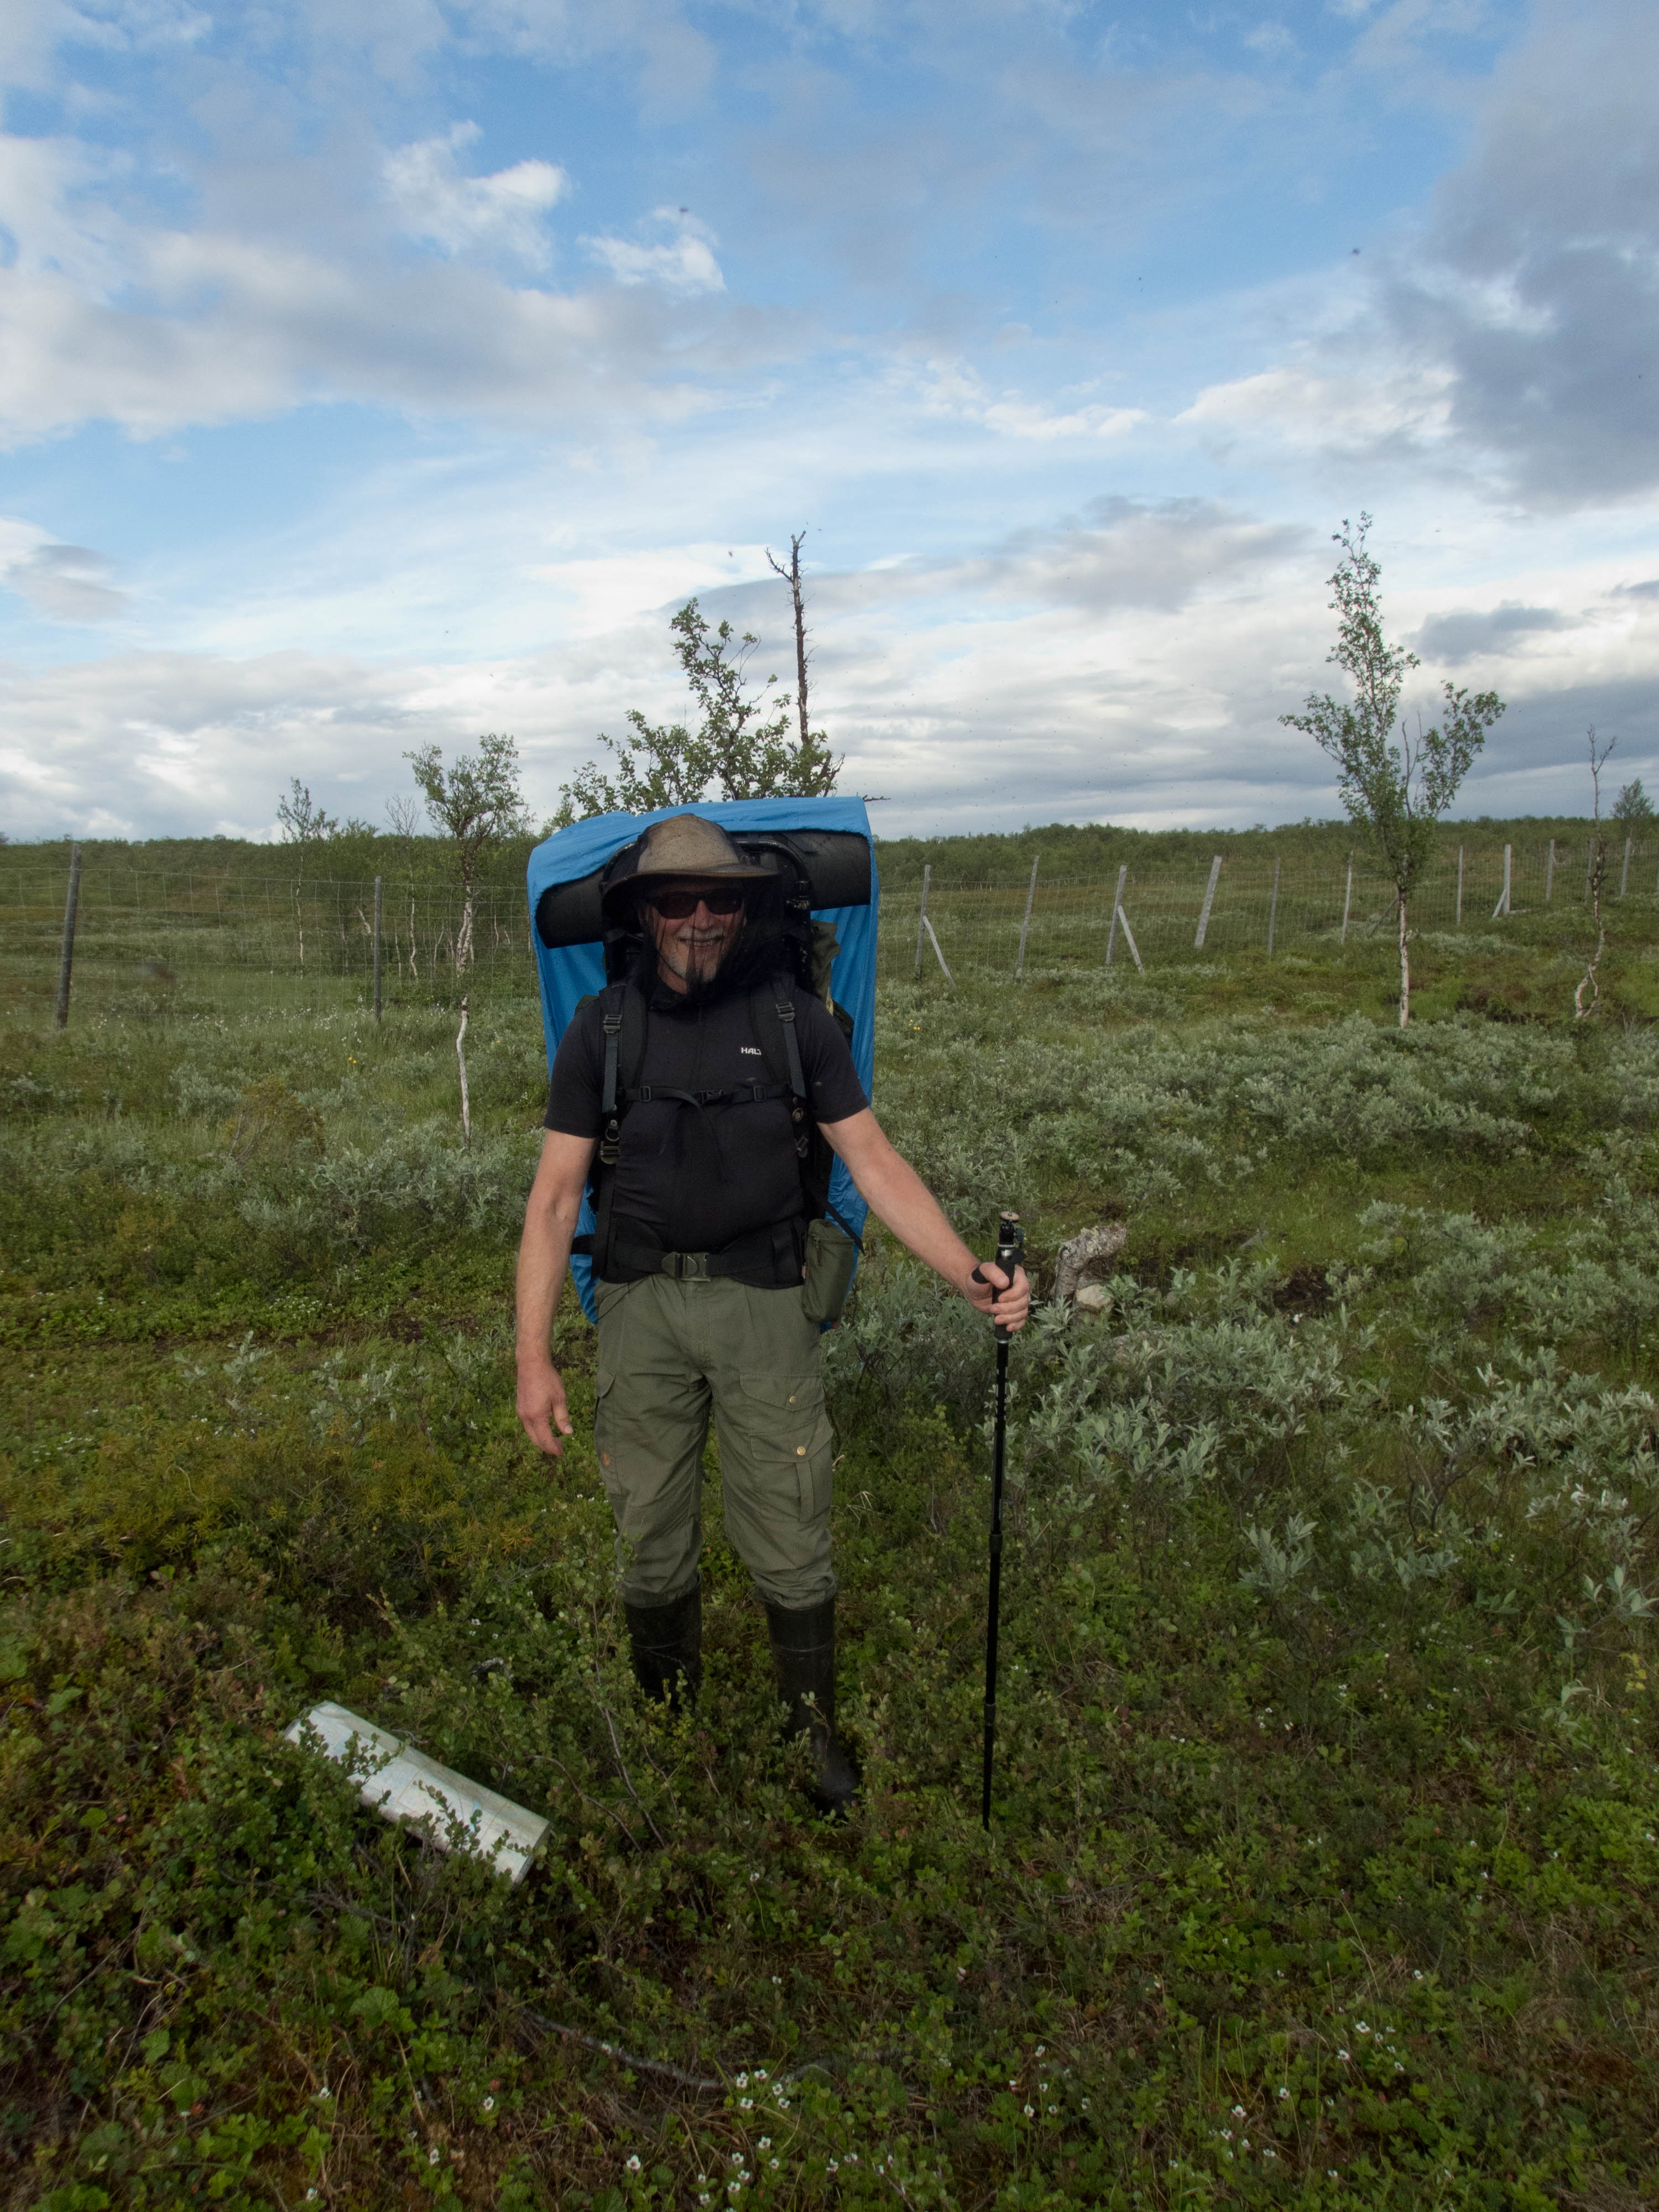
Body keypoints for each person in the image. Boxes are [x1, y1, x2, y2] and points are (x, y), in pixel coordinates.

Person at [514, 812, 1029, 1812]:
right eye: (678, 899)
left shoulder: (798, 1022)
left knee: (793, 1526)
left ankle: (810, 1739)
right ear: (646, 913)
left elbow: (872, 1161)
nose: (700, 918)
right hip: (637, 1308)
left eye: (721, 899)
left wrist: (968, 1275)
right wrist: (533, 1357)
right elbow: (552, 1200)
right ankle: (670, 1729)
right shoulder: (601, 1028)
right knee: (648, 1532)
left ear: (745, 909)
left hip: (768, 1304)